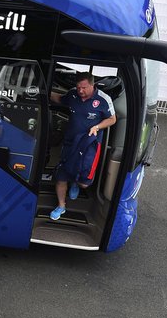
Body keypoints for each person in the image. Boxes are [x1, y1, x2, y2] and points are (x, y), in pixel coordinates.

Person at [48, 72, 116, 221]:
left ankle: (76, 183)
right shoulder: (73, 94)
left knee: (84, 183)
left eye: (84, 88)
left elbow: (112, 119)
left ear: (93, 85)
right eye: (78, 87)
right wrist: (43, 90)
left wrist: (97, 127)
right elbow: (59, 99)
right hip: (70, 143)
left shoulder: (103, 99)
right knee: (61, 176)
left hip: (89, 145)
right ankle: (61, 206)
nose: (80, 91)